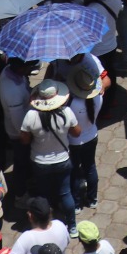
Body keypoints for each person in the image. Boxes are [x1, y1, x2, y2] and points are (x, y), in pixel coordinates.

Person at [22, 79, 81, 229]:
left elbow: (24, 140)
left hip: (40, 162)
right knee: (65, 193)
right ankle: (72, 226)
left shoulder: (30, 116)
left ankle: (46, 224)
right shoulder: (66, 112)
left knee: (44, 195)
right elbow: (76, 133)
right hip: (63, 159)